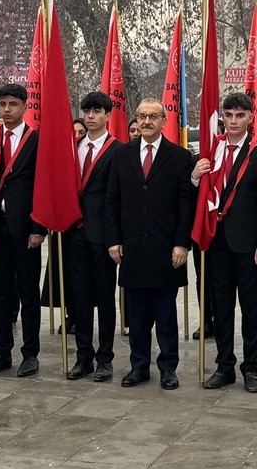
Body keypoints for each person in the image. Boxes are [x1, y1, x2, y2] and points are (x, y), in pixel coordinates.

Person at [106, 99, 195, 389]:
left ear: (163, 120)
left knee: (166, 314)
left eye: (153, 117)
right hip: (131, 247)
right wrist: (114, 240)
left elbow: (185, 205)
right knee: (137, 315)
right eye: (142, 116)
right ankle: (138, 366)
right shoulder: (121, 155)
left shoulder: (180, 157)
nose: (146, 121)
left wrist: (182, 244)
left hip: (165, 249)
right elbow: (112, 201)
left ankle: (168, 368)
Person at [195, 92, 257, 394]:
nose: (233, 121)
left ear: (250, 118)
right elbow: (199, 194)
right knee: (222, 307)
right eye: (228, 115)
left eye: (239, 115)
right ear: (222, 117)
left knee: (251, 309)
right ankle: (224, 366)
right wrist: (194, 176)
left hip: (249, 244)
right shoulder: (209, 149)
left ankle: (251, 368)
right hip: (217, 242)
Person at [0, 83, 47, 377]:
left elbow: (44, 186)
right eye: (2, 104)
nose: (6, 110)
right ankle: (1, 351)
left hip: (25, 229)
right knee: (0, 293)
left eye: (12, 105)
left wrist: (39, 228)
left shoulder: (36, 140)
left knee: (28, 293)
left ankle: (30, 353)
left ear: (24, 107)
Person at [65, 92, 120, 382]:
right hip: (75, 233)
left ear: (107, 115)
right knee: (80, 298)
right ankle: (82, 357)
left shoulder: (118, 150)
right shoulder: (73, 147)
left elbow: (117, 199)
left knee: (105, 299)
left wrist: (115, 238)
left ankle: (105, 359)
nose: (90, 116)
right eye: (86, 111)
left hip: (104, 236)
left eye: (97, 111)